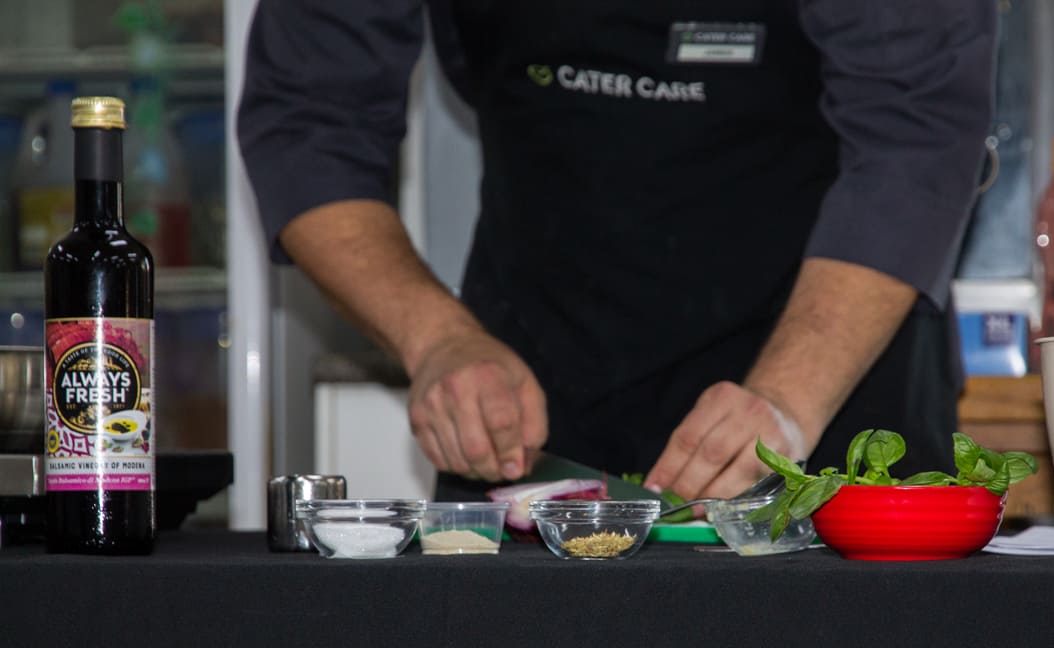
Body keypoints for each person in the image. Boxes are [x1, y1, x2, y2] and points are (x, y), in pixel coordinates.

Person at [238, 1, 997, 503]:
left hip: (835, 367)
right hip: (535, 384)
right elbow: (311, 122)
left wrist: (789, 401)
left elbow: (917, 132)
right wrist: (437, 337)